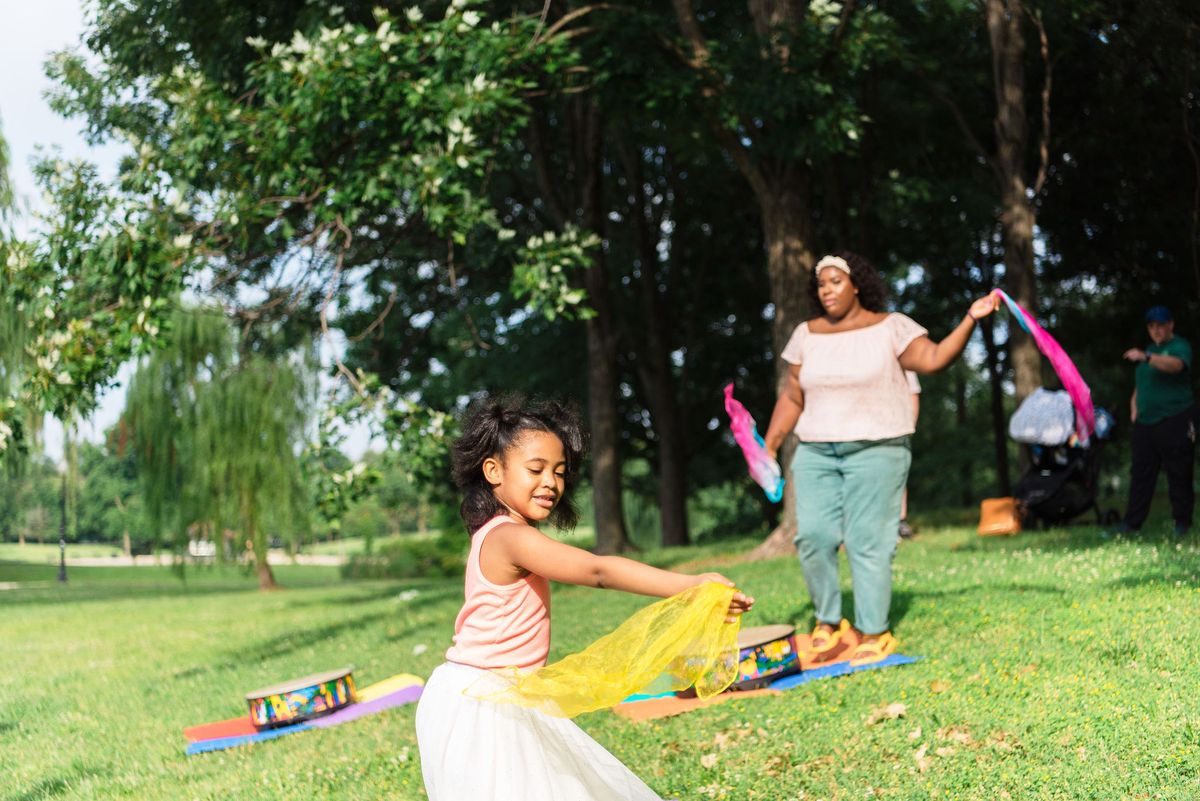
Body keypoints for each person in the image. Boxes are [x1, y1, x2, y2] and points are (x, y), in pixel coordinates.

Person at [415, 396, 754, 801]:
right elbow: (598, 571)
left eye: (559, 473)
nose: (551, 483)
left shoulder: (501, 532)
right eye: (535, 469)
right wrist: (690, 583)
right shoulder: (509, 537)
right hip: (482, 704)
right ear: (493, 470)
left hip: (493, 694)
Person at [762, 252, 998, 666]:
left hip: (878, 448)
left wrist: (971, 319)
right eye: (821, 284)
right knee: (813, 536)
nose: (827, 290)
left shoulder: (890, 327)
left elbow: (935, 358)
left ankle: (874, 630)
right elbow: (793, 395)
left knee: (866, 541)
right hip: (816, 450)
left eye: (836, 281)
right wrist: (769, 444)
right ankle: (827, 620)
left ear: (857, 285)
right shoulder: (806, 334)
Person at [1118, 305, 1195, 536]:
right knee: (1141, 474)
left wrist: (1146, 356)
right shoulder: (1149, 351)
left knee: (1178, 472)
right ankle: (1132, 524)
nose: (1156, 330)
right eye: (1152, 326)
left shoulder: (1178, 347)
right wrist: (1134, 407)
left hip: (1175, 418)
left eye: (1161, 325)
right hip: (1146, 423)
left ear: (1170, 324)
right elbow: (1141, 385)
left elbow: (1176, 366)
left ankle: (1182, 523)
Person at [898, 371, 921, 540]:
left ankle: (900, 522)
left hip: (896, 427)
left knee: (898, 476)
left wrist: (910, 426)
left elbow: (913, 393)